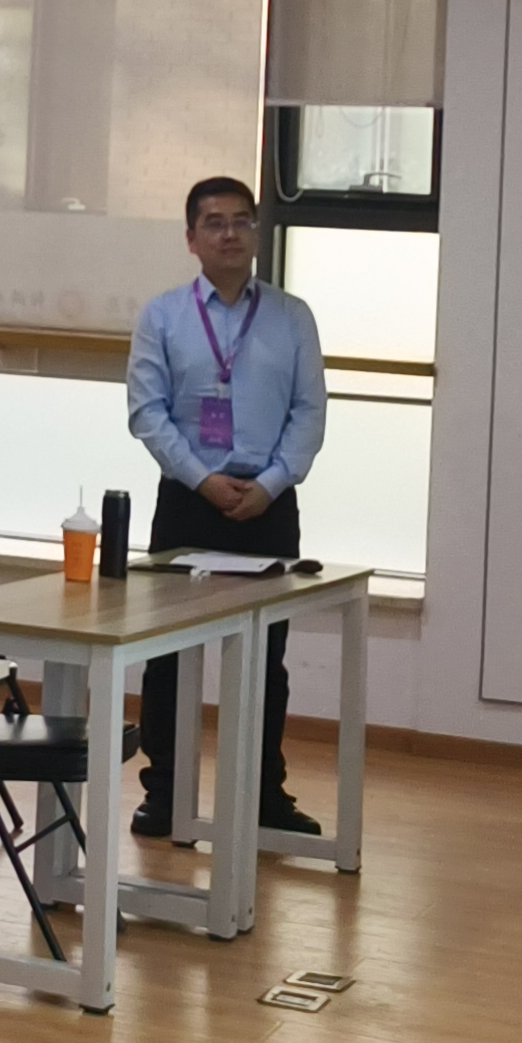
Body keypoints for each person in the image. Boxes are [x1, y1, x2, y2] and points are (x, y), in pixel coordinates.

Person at [122, 176, 330, 840]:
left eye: (242, 220)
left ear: (257, 232)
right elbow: (147, 413)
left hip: (269, 506)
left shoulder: (292, 317)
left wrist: (270, 483)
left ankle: (264, 795)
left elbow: (310, 411)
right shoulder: (162, 316)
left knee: (265, 658)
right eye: (214, 222)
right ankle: (165, 792)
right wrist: (203, 480)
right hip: (188, 504)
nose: (230, 233)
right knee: (168, 657)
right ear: (192, 239)